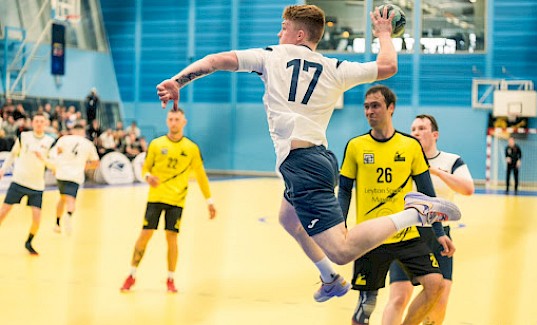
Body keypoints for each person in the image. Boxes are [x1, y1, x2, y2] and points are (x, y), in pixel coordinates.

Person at [156, 4, 461, 301]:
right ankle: (329, 279)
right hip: (318, 160)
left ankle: (414, 213)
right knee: (288, 220)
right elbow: (388, 66)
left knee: (341, 250)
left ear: (300, 34)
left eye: (284, 28)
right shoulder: (335, 67)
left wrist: (178, 80)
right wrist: (383, 33)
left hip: (302, 164)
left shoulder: (270, 56)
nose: (279, 34)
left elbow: (215, 60)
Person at [338, 86, 455, 325]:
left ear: (391, 108)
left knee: (435, 284)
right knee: (366, 306)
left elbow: (427, 194)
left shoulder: (410, 146)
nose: (370, 111)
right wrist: (339, 229)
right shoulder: (355, 146)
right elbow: (344, 193)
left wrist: (439, 233)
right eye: (366, 106)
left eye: (376, 105)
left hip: (406, 234)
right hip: (370, 238)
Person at [385, 114, 474, 325]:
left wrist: (436, 172)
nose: (416, 132)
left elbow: (468, 188)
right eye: (413, 128)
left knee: (441, 297)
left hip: (440, 234)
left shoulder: (452, 161)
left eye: (422, 128)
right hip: (407, 234)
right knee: (399, 295)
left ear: (435, 134)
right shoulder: (402, 160)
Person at [120, 109, 217, 293]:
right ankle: (131, 274)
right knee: (145, 234)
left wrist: (209, 201)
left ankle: (170, 279)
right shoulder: (156, 144)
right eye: (171, 119)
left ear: (184, 122)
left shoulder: (191, 148)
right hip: (155, 198)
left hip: (177, 200)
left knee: (171, 238)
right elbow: (145, 168)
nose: (174, 122)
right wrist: (148, 177)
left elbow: (201, 176)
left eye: (177, 119)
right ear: (167, 121)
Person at [0, 113, 56, 255]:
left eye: (41, 121)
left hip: (36, 186)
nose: (38, 124)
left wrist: (43, 158)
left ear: (45, 124)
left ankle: (29, 242)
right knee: (3, 213)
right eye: (36, 121)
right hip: (19, 181)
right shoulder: (24, 137)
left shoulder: (50, 142)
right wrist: (3, 170)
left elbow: (53, 166)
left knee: (37, 220)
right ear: (32, 123)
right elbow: (13, 154)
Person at [51, 124, 100, 235]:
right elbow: (96, 163)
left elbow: (55, 154)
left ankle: (57, 223)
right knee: (71, 200)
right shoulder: (88, 144)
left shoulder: (63, 139)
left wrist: (56, 166)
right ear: (83, 132)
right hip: (75, 176)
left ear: (72, 130)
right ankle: (68, 215)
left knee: (63, 198)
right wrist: (83, 166)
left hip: (61, 174)